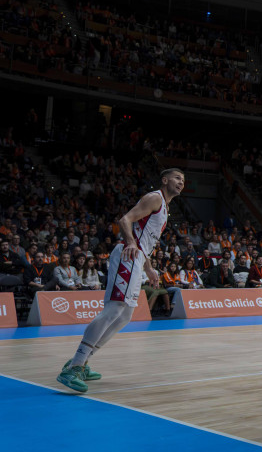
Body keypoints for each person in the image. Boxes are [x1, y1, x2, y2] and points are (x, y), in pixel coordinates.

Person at [57, 168, 184, 393]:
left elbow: (145, 242)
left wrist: (150, 268)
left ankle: (83, 362)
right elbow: (125, 220)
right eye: (177, 178)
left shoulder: (165, 208)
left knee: (124, 316)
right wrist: (130, 244)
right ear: (164, 180)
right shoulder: (154, 197)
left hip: (137, 259)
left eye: (183, 180)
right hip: (127, 255)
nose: (181, 182)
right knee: (114, 309)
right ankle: (73, 367)